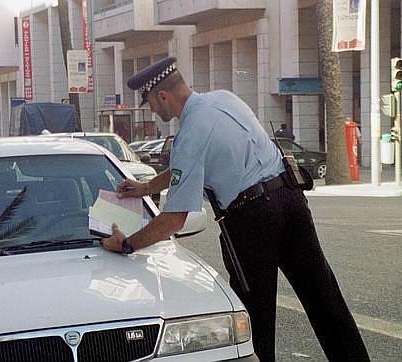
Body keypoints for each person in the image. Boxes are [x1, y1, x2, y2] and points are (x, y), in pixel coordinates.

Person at [100, 57, 369, 361]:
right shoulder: (224, 99)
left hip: (252, 219)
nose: (150, 109)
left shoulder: (189, 135)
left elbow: (173, 220)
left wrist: (126, 244)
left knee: (256, 320)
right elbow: (189, 166)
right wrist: (147, 188)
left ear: (163, 96)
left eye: (149, 101)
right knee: (325, 298)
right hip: (291, 200)